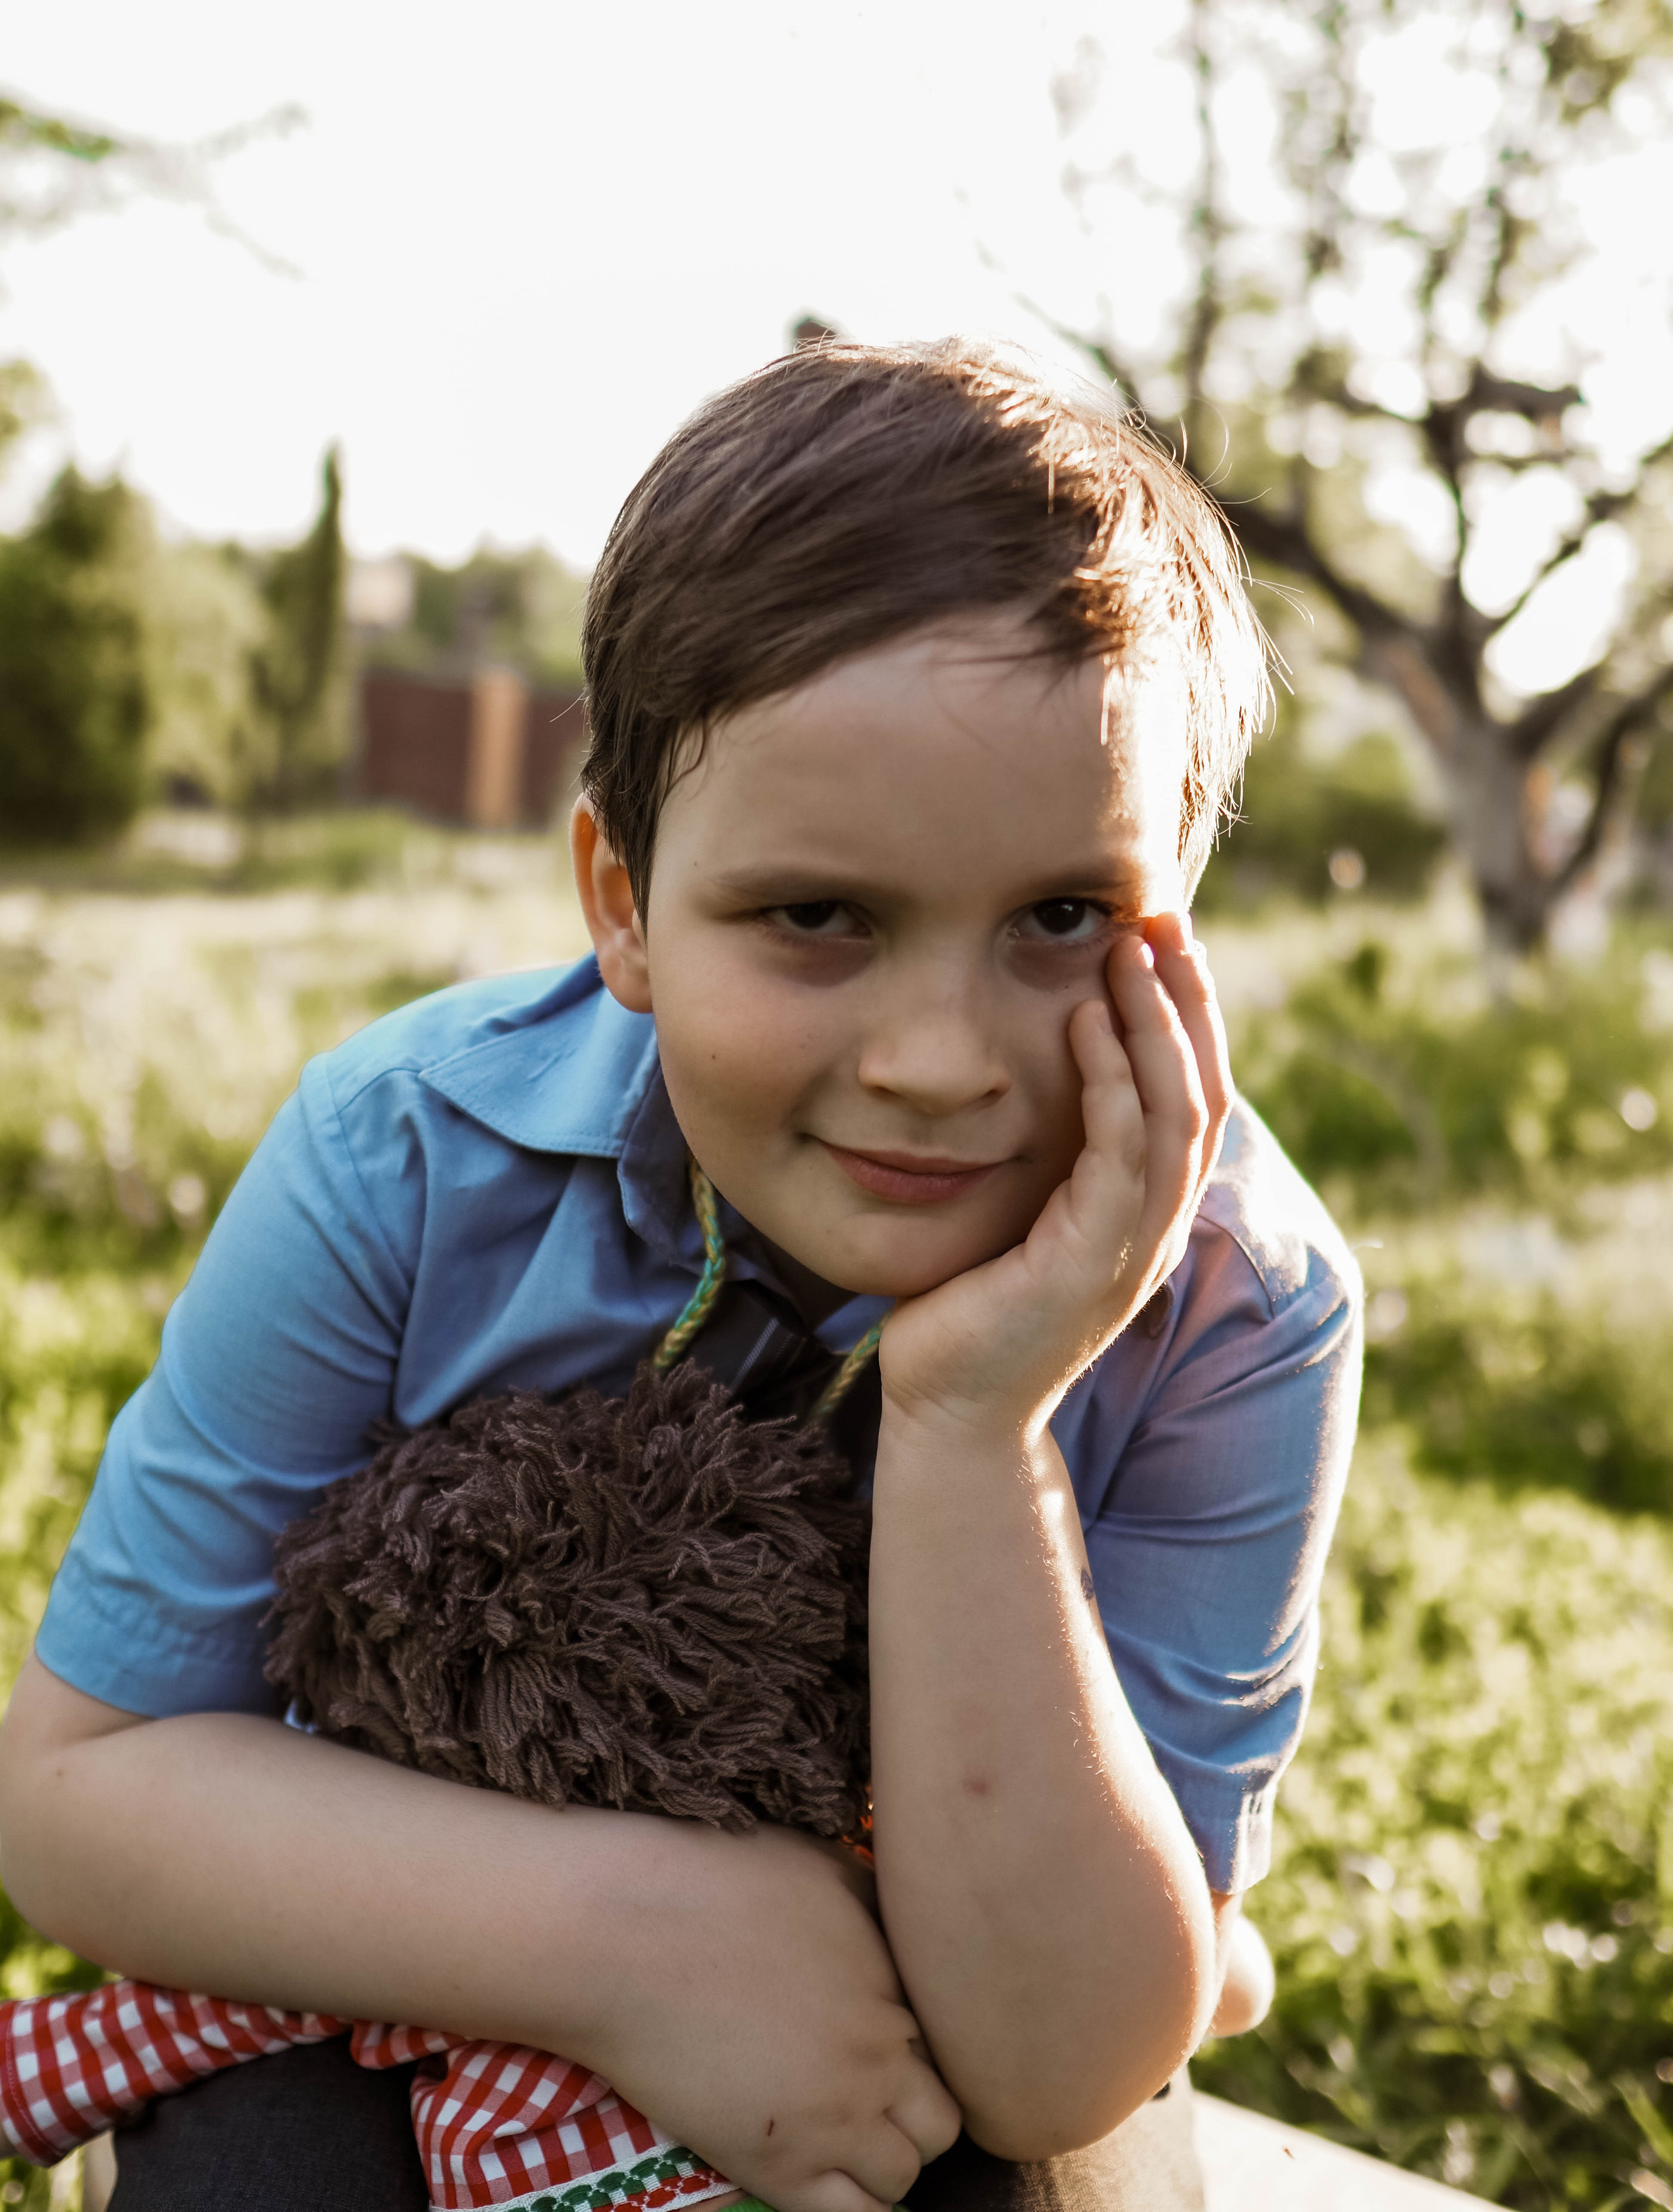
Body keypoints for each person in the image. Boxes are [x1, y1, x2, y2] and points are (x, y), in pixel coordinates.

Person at [0, 338, 1359, 2212]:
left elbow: (1054, 2061)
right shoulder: (403, 1153)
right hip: (408, 1924)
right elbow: (80, 1796)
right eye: (819, 917)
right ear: (623, 905)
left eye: (1064, 919)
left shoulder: (1239, 1303)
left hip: (956, 2023)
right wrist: (646, 1937)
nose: (940, 1059)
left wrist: (976, 1427)